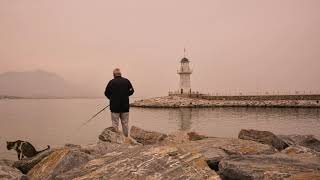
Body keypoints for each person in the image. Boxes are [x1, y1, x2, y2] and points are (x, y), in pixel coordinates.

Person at [104, 68, 134, 137]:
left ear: (114, 75)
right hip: (125, 106)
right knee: (125, 123)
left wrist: (111, 98)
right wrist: (126, 95)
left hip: (114, 107)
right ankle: (126, 138)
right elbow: (132, 91)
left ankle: (116, 140)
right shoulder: (126, 81)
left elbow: (106, 93)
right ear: (120, 74)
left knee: (115, 123)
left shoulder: (111, 82)